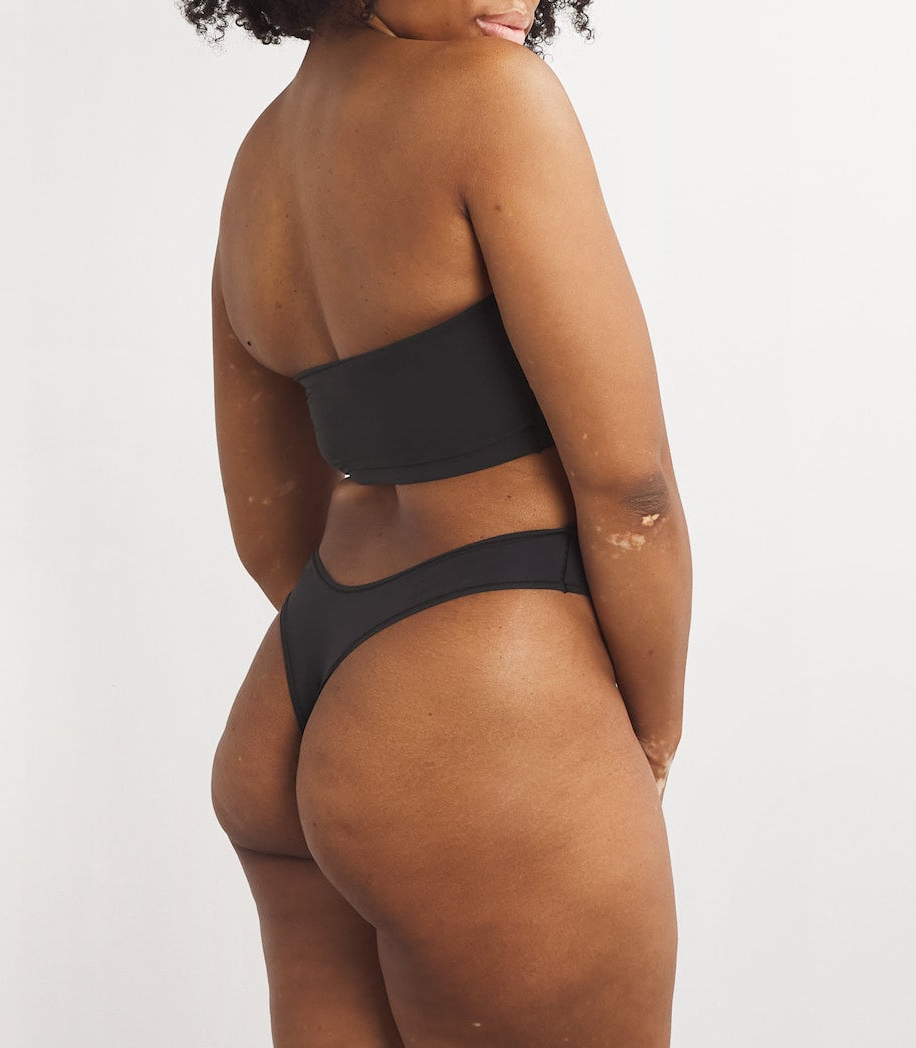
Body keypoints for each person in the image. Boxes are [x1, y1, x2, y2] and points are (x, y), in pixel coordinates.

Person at [181, 0, 692, 1044]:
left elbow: (267, 526)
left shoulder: (260, 160)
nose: (522, 1)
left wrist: (371, 691)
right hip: (479, 720)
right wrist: (648, 729)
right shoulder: (491, 100)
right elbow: (629, 489)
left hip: (291, 711)